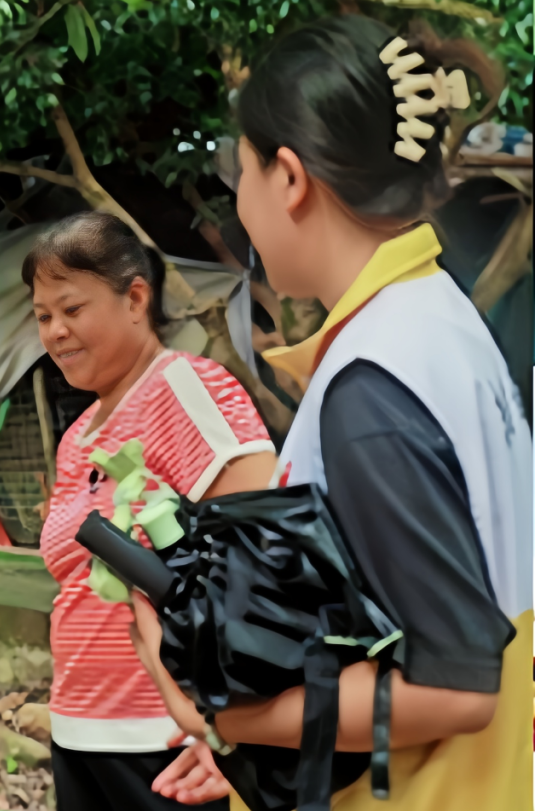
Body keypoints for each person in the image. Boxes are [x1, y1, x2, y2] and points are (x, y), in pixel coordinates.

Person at [130, 15, 532, 811]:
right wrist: (281, 739)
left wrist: (227, 711)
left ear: (288, 177)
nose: (238, 204)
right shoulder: (442, 324)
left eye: (237, 173)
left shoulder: (373, 387)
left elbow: (455, 688)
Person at [23, 210, 278, 811]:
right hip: (80, 733)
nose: (55, 331)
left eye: (72, 308)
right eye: (42, 317)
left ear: (135, 298)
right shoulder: (78, 435)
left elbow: (268, 548)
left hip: (172, 744)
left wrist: (236, 725)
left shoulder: (186, 387)